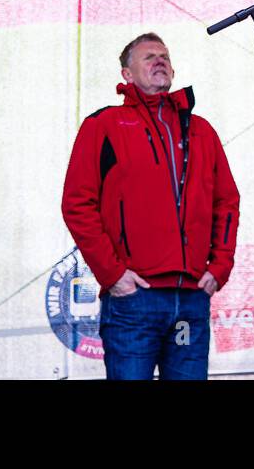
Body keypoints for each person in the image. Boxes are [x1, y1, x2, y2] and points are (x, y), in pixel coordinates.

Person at [62, 32, 240, 380]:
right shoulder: (104, 126)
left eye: (164, 56)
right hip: (134, 299)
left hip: (191, 297)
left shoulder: (201, 131)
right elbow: (77, 204)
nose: (160, 60)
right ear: (126, 74)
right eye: (148, 57)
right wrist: (113, 275)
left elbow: (227, 202)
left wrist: (219, 267)